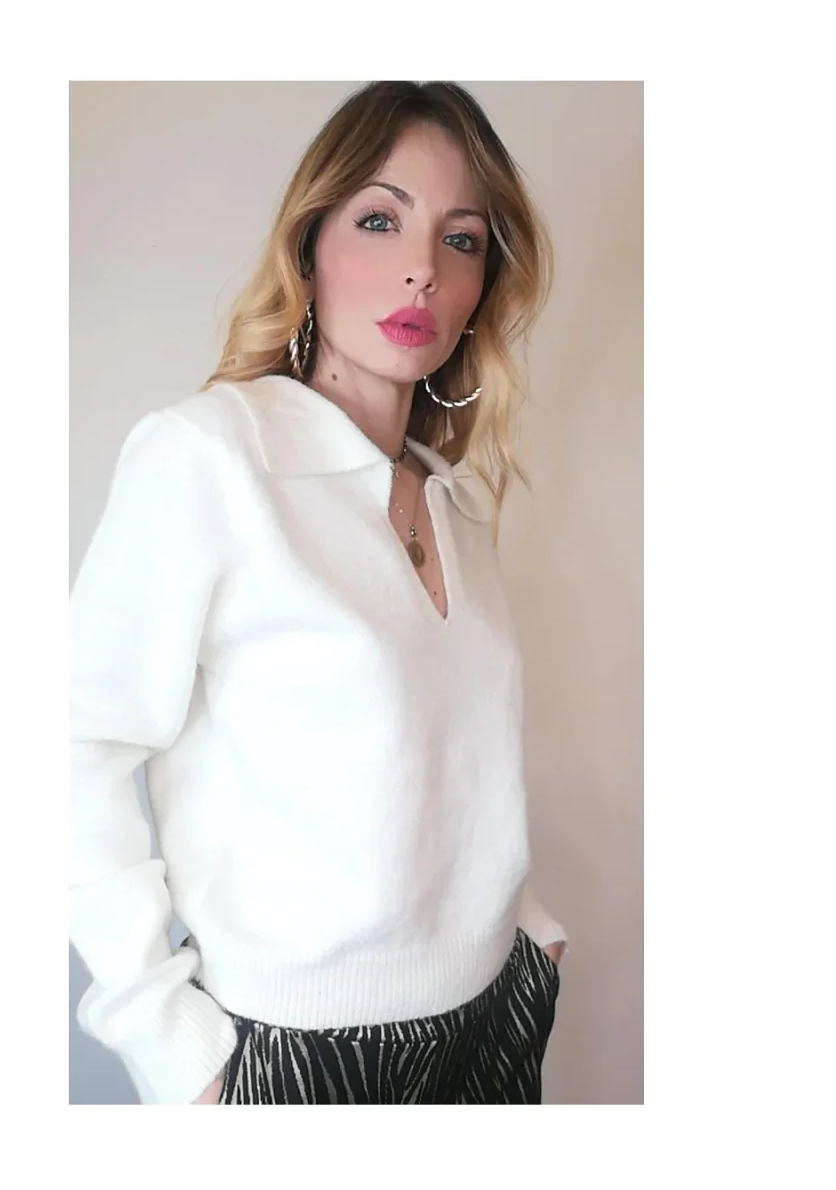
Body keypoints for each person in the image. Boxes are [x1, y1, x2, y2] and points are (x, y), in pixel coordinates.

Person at [69, 80, 569, 1106]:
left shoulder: (457, 498)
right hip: (300, 1053)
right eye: (380, 220)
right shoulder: (211, 458)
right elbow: (68, 750)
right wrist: (168, 1041)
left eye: (461, 240)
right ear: (309, 247)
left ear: (482, 286)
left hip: (497, 1020)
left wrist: (529, 931)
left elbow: (454, 764)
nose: (422, 268)